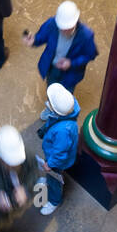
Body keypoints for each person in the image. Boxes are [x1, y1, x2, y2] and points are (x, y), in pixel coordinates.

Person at [23, 0, 99, 91]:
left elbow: (90, 55)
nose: (64, 31)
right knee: (51, 89)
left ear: (75, 22)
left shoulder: (86, 36)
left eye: (68, 28)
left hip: (70, 74)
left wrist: (71, 63)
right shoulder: (52, 24)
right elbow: (42, 36)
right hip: (52, 67)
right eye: (61, 28)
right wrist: (34, 40)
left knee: (65, 96)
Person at [35, 83, 80, 216]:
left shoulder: (63, 132)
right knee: (50, 172)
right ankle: (49, 179)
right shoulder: (68, 111)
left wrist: (50, 164)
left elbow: (59, 154)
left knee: (55, 178)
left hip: (55, 160)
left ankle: (54, 200)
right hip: (52, 153)